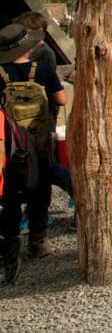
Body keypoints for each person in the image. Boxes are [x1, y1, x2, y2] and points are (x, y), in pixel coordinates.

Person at [0, 23, 67, 262]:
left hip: (8, 145)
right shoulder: (43, 69)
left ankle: (9, 239)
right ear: (28, 48)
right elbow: (61, 98)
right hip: (38, 143)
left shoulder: (0, 72)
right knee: (40, 188)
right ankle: (39, 241)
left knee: (8, 192)